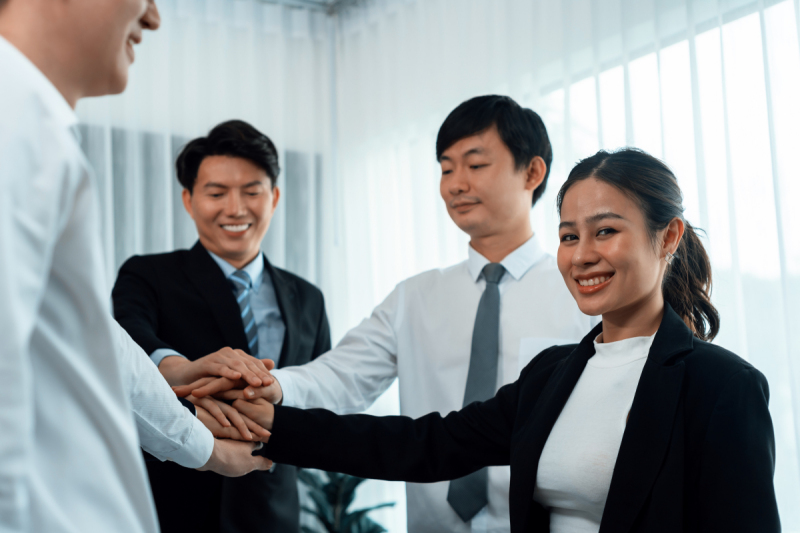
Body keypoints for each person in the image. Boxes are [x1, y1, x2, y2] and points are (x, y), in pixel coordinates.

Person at [233, 148, 780, 533]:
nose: (582, 254)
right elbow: (427, 446)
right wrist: (266, 423)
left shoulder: (723, 387)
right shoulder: (553, 374)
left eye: (606, 231)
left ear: (669, 237)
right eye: (569, 235)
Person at [177, 95, 594, 533]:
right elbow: (338, 377)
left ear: (532, 171)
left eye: (475, 164)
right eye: (446, 168)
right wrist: (265, 385)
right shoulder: (413, 297)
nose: (455, 184)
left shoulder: (583, 294)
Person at [0, 2, 272, 532]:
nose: (153, 18)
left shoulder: (34, 127)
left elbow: (98, 346)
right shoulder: (15, 128)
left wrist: (202, 443)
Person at [112, 119, 332, 533]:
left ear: (275, 197)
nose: (235, 209)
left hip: (274, 512)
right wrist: (177, 367)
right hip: (173, 505)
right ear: (189, 201)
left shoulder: (309, 298)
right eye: (217, 193)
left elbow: (321, 387)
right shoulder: (148, 274)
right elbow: (127, 340)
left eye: (252, 192)